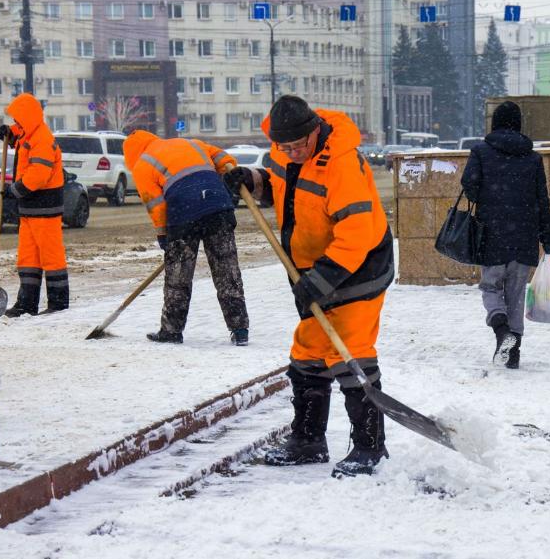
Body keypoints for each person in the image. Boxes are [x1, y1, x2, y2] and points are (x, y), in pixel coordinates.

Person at [224, 96, 394, 477]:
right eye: (285, 147)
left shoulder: (342, 164)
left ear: (315, 129)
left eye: (299, 146)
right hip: (314, 270)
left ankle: (369, 446)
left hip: (360, 268)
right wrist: (252, 181)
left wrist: (320, 280)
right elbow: (285, 190)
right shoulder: (284, 152)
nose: (292, 153)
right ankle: (308, 441)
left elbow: (356, 234)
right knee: (308, 354)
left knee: (350, 352)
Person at [124, 130, 249, 346]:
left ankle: (171, 331)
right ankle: (240, 330)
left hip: (184, 213)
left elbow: (157, 206)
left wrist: (164, 235)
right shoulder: (190, 143)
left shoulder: (143, 165)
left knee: (178, 277)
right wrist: (228, 173)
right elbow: (223, 159)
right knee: (227, 270)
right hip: (218, 205)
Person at [461, 101, 550, 370]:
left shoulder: (480, 151)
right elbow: (542, 200)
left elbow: (470, 186)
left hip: (492, 234)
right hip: (524, 235)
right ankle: (513, 354)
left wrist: (483, 196)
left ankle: (502, 332)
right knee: (515, 293)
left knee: (491, 287)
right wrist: (547, 238)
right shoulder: (533, 158)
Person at [0, 93, 69, 317]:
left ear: (27, 118)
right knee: (28, 257)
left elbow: (39, 174)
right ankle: (26, 303)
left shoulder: (42, 139)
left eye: (18, 120)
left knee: (51, 256)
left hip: (45, 208)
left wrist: (14, 190)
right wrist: (9, 133)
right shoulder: (30, 133)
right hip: (30, 208)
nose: (16, 124)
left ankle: (58, 303)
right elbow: (20, 134)